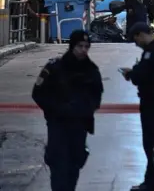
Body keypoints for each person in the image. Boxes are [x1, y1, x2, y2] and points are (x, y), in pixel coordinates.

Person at [32, 30, 104, 191]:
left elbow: (97, 94)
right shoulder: (55, 67)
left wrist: (86, 109)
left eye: (87, 46)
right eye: (80, 46)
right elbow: (38, 93)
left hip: (79, 125)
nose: (84, 50)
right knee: (58, 166)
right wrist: (55, 110)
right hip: (58, 125)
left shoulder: (91, 70)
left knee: (74, 165)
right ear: (72, 46)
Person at [119, 22, 154, 191]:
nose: (136, 44)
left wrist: (132, 73)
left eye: (136, 40)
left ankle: (151, 183)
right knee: (150, 143)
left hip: (152, 100)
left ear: (140, 35)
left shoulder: (153, 52)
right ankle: (150, 181)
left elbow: (142, 76)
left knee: (150, 144)